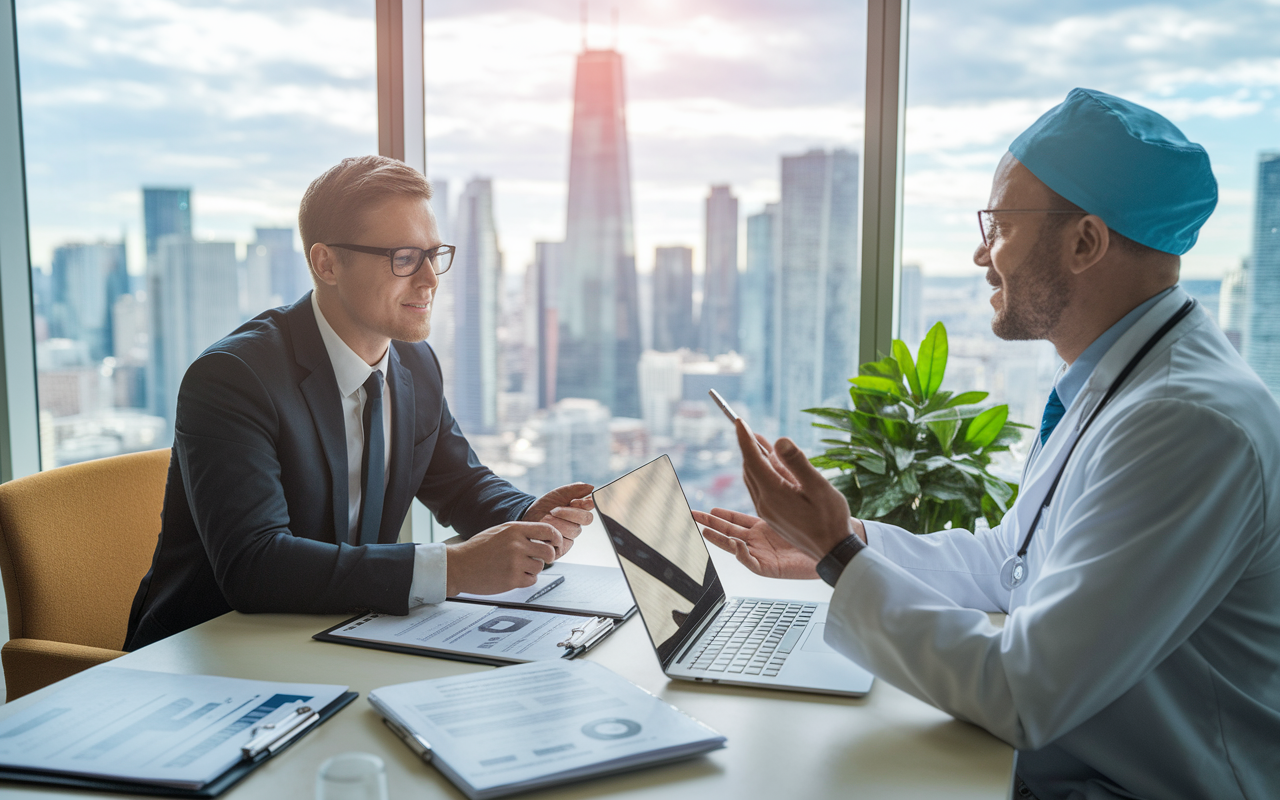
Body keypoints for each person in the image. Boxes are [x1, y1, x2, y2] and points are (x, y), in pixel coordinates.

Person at [696, 88, 1280, 799]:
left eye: (1000, 224)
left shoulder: (1186, 425)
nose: (980, 252)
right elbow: (1011, 563)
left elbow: (1023, 692)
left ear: (1085, 242)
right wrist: (846, 543)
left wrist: (841, 559)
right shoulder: (1118, 380)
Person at [126, 155, 593, 650]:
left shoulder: (414, 363)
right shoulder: (234, 379)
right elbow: (254, 565)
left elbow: (460, 484)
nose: (431, 279)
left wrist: (531, 519)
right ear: (326, 263)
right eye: (405, 258)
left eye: (434, 255)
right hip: (212, 654)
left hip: (339, 634)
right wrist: (453, 568)